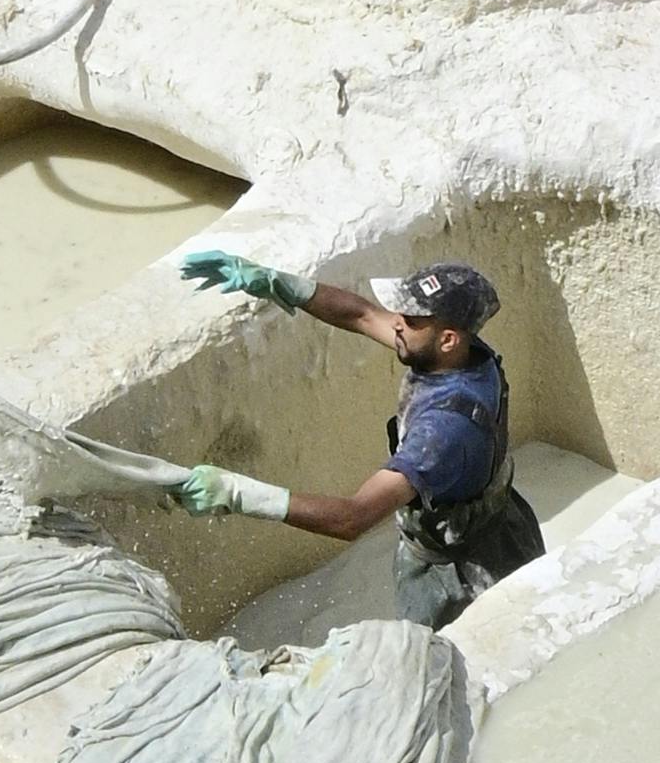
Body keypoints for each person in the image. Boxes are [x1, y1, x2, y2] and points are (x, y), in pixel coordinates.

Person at [166, 248, 546, 629]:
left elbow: (352, 517)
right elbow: (361, 314)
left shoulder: (443, 432)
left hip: (460, 576)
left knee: (456, 652)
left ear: (447, 339)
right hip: (503, 526)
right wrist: (279, 283)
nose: (396, 324)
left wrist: (238, 494)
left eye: (411, 320)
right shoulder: (464, 354)